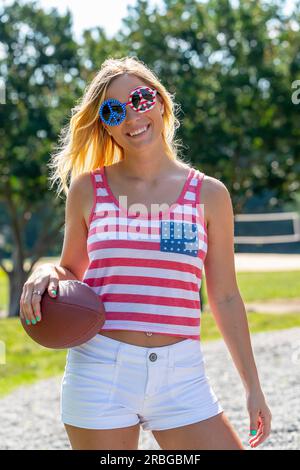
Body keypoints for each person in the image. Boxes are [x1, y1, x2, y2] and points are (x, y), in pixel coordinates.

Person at [19, 56, 271, 450]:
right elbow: (70, 270)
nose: (131, 116)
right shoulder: (88, 189)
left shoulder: (209, 195)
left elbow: (224, 296)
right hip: (100, 370)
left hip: (181, 374)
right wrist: (46, 272)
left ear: (161, 102)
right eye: (114, 110)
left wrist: (253, 387)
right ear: (104, 122)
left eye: (140, 98)